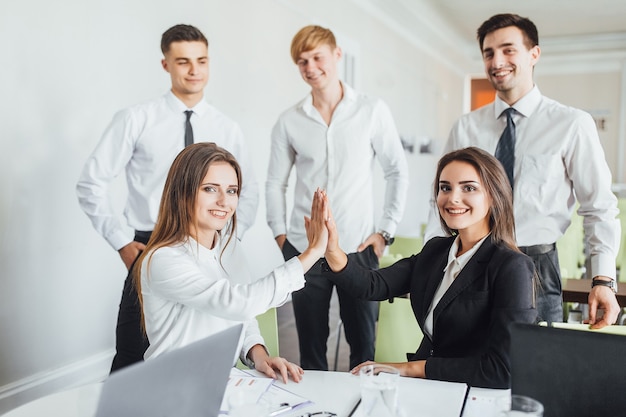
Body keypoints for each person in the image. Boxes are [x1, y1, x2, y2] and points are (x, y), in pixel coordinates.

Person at [76, 24, 259, 372]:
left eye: (202, 61)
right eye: (183, 61)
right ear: (166, 65)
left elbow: (247, 189)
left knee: (205, 348)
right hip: (151, 245)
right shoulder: (136, 119)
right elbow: (91, 182)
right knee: (131, 356)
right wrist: (121, 242)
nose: (194, 70)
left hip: (210, 246)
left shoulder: (228, 128)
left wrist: (227, 243)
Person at [426, 13, 621, 327]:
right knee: (463, 363)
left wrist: (603, 280)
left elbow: (599, 207)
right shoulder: (466, 127)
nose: (496, 60)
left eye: (508, 49)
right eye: (488, 53)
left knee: (532, 369)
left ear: (534, 54)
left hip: (536, 268)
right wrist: (433, 265)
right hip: (470, 261)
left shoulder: (571, 124)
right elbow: (440, 201)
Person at [321, 147, 537, 389]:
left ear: (494, 196)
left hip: (474, 391)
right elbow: (372, 285)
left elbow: (503, 370)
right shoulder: (436, 250)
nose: (453, 198)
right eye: (445, 188)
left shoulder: (512, 266)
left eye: (469, 188)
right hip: (430, 385)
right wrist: (332, 250)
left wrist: (409, 368)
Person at [266, 25, 409, 370]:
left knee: (363, 345)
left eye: (317, 57)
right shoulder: (289, 121)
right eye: (302, 61)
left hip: (359, 250)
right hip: (305, 250)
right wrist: (282, 237)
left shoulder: (372, 110)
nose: (311, 67)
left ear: (337, 55)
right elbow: (274, 182)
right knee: (311, 348)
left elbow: (397, 171)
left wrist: (384, 233)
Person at [135, 142, 329, 383]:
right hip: (172, 389)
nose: (224, 201)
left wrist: (258, 354)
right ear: (182, 192)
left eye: (231, 191)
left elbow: (242, 318)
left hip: (222, 384)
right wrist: (313, 252)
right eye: (209, 189)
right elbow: (239, 303)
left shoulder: (230, 247)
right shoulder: (163, 259)